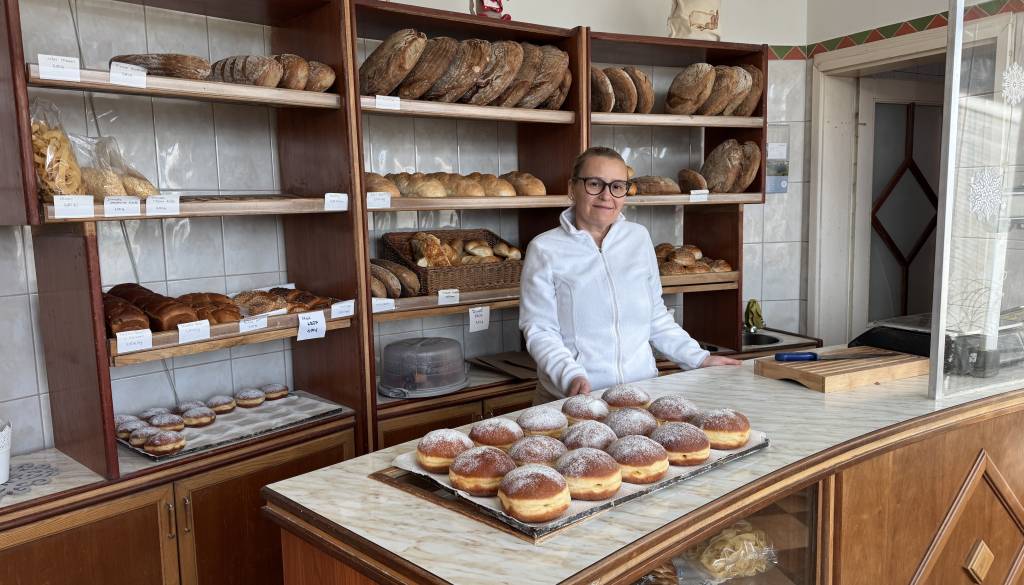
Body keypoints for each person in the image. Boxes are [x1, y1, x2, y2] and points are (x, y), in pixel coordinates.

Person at [519, 146, 740, 403]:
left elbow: (655, 316)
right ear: (572, 188)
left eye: (617, 186)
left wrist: (698, 357)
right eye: (594, 184)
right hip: (575, 397)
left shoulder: (638, 238)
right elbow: (540, 329)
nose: (606, 196)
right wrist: (569, 376)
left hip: (640, 392)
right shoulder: (545, 249)